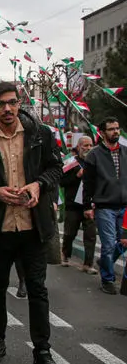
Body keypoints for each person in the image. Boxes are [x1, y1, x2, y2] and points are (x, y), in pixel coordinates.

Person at [0, 81, 63, 364]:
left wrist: (40, 184)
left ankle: (43, 352)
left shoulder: (41, 134)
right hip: (0, 226)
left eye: (12, 102)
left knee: (37, 289)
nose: (8, 109)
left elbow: (55, 168)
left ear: (20, 102)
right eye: (1, 104)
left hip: (32, 224)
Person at [83, 117, 127, 295]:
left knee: (123, 242)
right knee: (108, 244)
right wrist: (87, 205)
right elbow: (88, 182)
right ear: (102, 133)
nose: (115, 132)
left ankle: (104, 262)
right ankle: (107, 279)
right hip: (104, 206)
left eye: (117, 128)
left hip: (124, 206)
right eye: (111, 129)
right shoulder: (94, 154)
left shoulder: (125, 152)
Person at [61, 137, 97, 274]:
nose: (88, 148)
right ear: (79, 147)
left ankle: (88, 264)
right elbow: (62, 182)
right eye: (85, 145)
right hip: (73, 205)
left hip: (89, 204)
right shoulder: (71, 162)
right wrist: (77, 175)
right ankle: (65, 254)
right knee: (70, 233)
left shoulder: (95, 162)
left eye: (90, 145)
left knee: (91, 235)